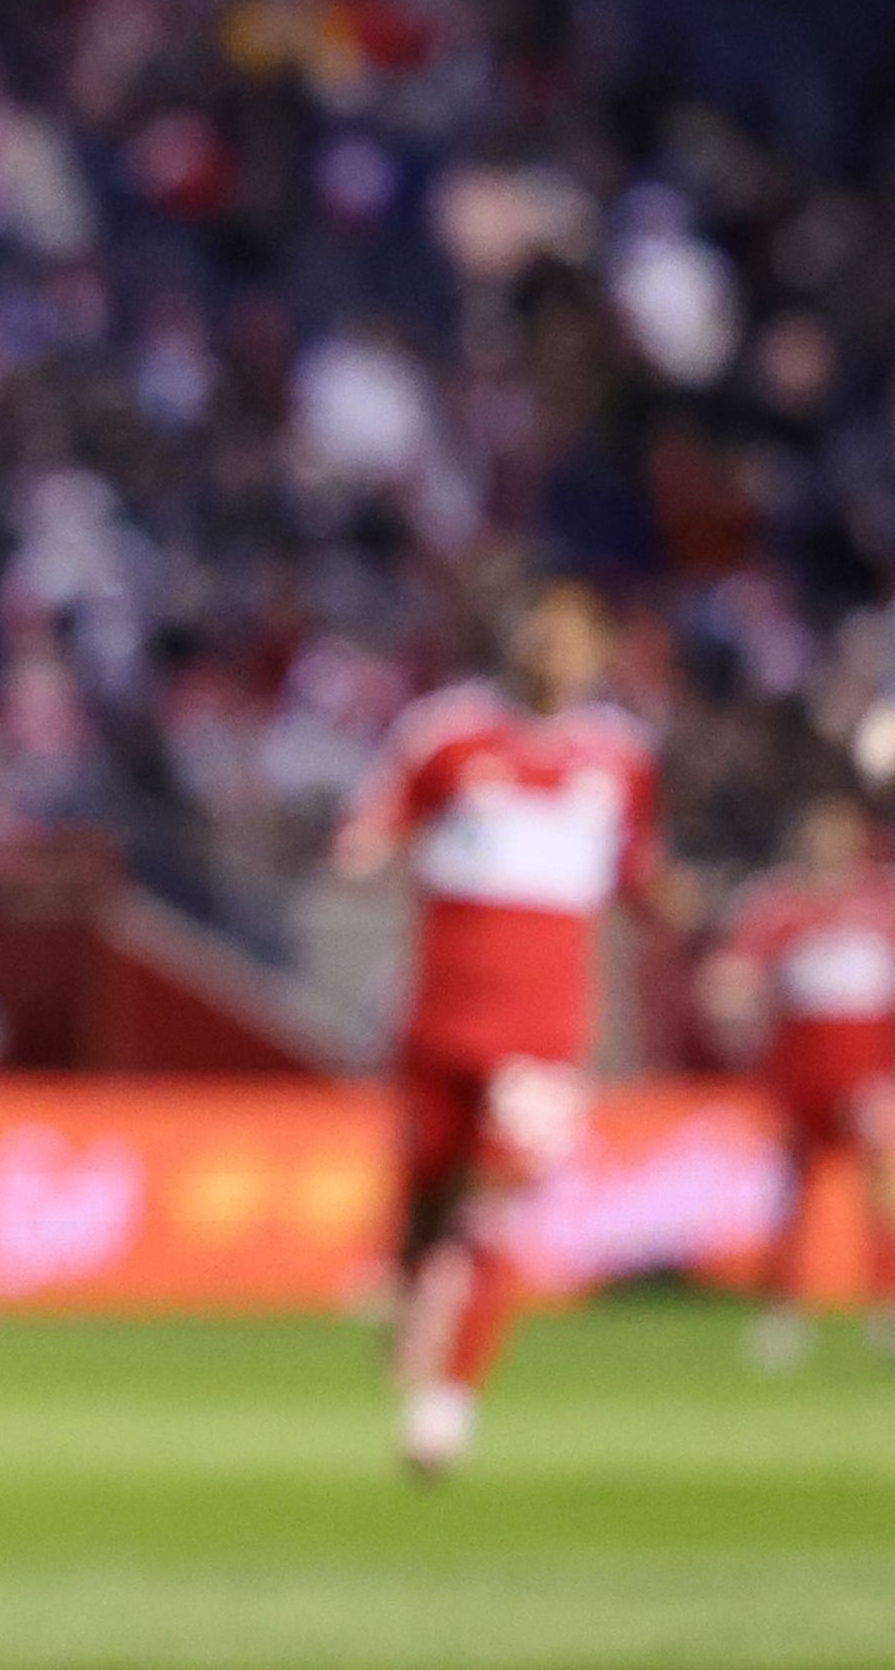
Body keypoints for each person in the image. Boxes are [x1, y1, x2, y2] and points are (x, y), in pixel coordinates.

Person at [334, 576, 683, 1482]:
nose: (551, 655)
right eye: (540, 635)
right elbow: (380, 812)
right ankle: (416, 1276)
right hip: (439, 1018)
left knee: (494, 1213)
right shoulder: (446, 733)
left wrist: (674, 907)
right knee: (427, 1191)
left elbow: (637, 869)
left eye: (571, 641)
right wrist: (366, 844)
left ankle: (445, 1408)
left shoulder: (618, 759)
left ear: (600, 655)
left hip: (544, 1033)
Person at [702, 786, 895, 1371]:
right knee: (794, 1195)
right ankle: (784, 1309)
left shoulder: (884, 904)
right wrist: (730, 995)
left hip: (867, 1077)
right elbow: (736, 972)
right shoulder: (778, 905)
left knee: (883, 1190)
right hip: (800, 1076)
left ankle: (888, 1305)